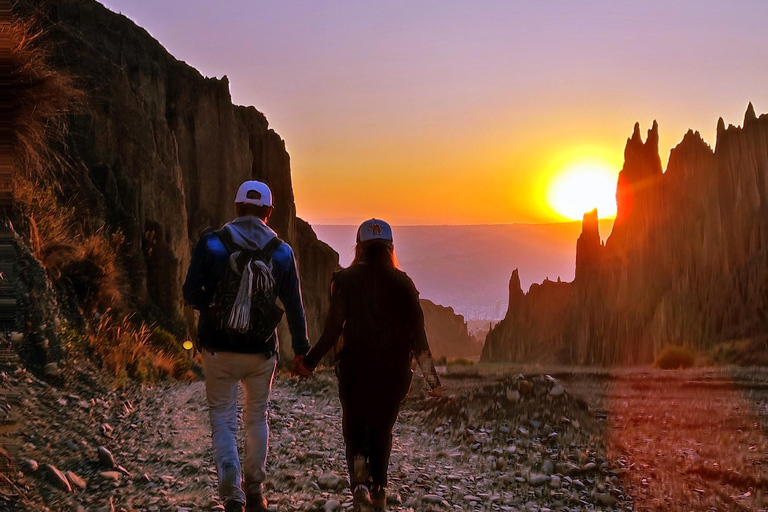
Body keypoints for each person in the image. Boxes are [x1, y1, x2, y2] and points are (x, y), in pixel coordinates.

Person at [293, 218, 443, 512]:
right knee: (382, 430)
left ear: (359, 247)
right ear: (390, 248)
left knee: (356, 430)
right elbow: (419, 339)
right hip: (394, 373)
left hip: (355, 370)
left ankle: (360, 484)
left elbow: (333, 330)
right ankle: (380, 490)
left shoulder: (345, 280)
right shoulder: (404, 283)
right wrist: (433, 381)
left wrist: (308, 363)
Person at [183, 180, 310, 512]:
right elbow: (295, 305)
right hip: (261, 351)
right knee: (256, 417)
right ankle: (254, 490)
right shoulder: (282, 252)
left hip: (217, 349)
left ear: (237, 208)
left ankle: (231, 489)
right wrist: (301, 350)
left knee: (223, 418)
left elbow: (189, 293)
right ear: (268, 212)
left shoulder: (212, 242)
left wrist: (211, 305)